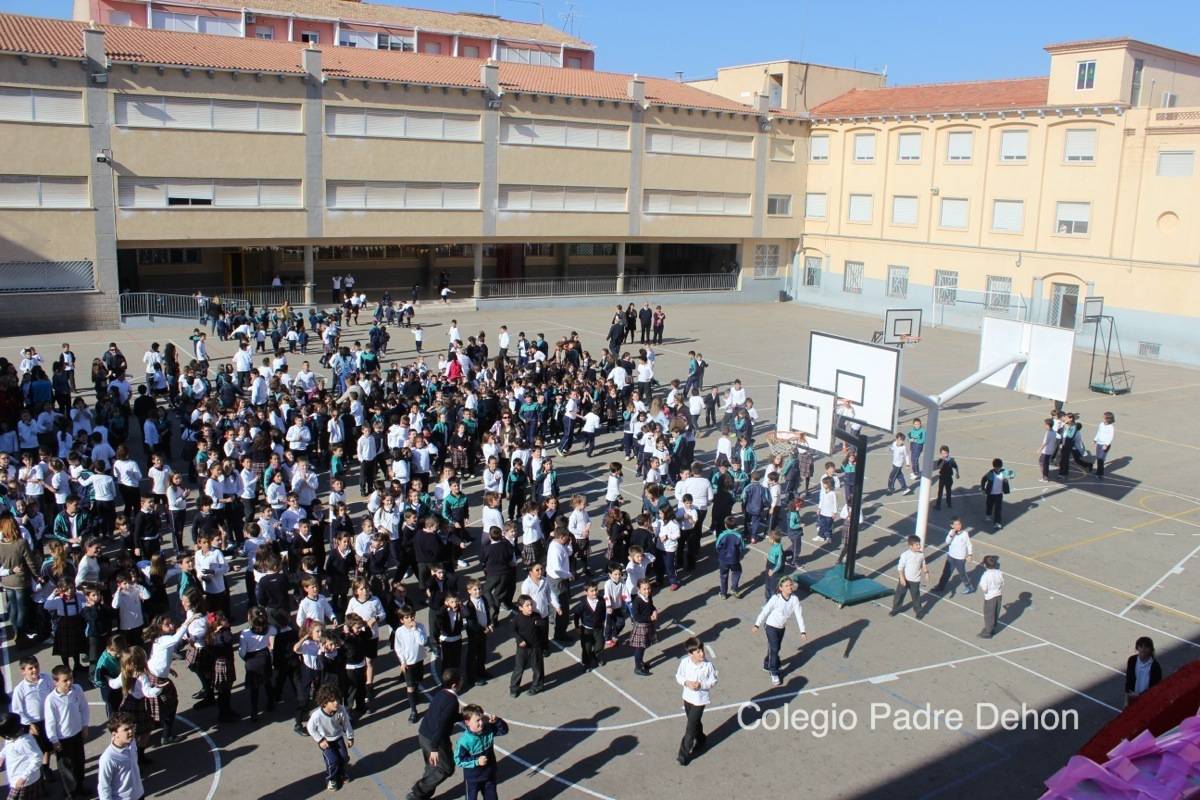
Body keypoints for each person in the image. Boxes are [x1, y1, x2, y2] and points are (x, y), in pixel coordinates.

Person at [408, 669, 461, 800]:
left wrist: (463, 716)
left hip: (424, 734)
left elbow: (447, 716)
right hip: (435, 739)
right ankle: (418, 791)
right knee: (446, 768)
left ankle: (423, 796)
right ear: (455, 685)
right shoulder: (452, 700)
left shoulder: (441, 693)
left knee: (432, 767)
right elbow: (442, 724)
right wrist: (434, 748)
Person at [43, 664, 89, 799]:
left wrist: (85, 726)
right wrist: (54, 740)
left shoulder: (77, 690)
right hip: (63, 738)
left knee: (79, 762)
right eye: (65, 680)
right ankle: (70, 793)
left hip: (77, 734)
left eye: (71, 678)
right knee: (66, 768)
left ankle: (80, 786)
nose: (69, 682)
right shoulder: (51, 700)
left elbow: (84, 708)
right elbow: (50, 722)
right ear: (55, 682)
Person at [752, 576, 807, 686]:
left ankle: (767, 663)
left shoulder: (794, 599)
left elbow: (799, 615)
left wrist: (803, 631)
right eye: (787, 586)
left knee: (774, 648)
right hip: (770, 626)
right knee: (775, 648)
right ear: (781, 588)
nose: (790, 587)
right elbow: (765, 611)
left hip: (781, 627)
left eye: (791, 585)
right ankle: (774, 672)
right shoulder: (775, 599)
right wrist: (756, 624)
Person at [674, 636, 717, 767]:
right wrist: (686, 683)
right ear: (690, 654)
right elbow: (678, 676)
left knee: (690, 727)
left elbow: (713, 681)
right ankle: (701, 738)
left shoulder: (708, 666)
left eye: (702, 650)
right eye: (698, 651)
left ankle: (683, 755)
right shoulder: (685, 663)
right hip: (687, 697)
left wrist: (701, 685)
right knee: (695, 723)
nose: (702, 653)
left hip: (700, 700)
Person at [454, 705, 508, 800]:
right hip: (473, 779)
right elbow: (458, 760)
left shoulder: (488, 729)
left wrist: (497, 721)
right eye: (477, 720)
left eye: (482, 719)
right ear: (467, 722)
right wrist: (476, 761)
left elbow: (503, 731)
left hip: (489, 774)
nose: (482, 722)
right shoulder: (465, 741)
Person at [307, 685, 354, 792]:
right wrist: (320, 740)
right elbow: (310, 728)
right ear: (324, 702)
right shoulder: (317, 715)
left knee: (344, 758)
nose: (336, 703)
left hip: (337, 737)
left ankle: (341, 773)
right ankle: (331, 779)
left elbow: (346, 723)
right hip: (325, 741)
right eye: (332, 701)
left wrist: (350, 737)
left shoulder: (341, 710)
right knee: (333, 761)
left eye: (337, 699)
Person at [0, 711, 45, 799]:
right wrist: (1, 756)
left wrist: (23, 777)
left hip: (24, 782)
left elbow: (37, 758)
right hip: (15, 778)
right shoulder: (11, 738)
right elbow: (7, 747)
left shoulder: (24, 741)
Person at [97, 713, 142, 800]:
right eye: (126, 729)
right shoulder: (108, 758)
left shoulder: (131, 742)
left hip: (139, 794)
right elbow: (104, 787)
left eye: (132, 727)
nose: (131, 731)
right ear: (114, 734)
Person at [932, 518, 974, 595]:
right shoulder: (951, 532)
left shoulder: (965, 534)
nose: (958, 526)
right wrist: (952, 535)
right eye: (956, 524)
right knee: (946, 572)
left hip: (960, 558)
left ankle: (969, 586)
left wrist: (970, 554)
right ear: (952, 526)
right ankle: (940, 586)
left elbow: (969, 544)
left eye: (959, 524)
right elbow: (947, 541)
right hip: (951, 556)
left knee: (962, 574)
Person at [890, 535, 928, 619]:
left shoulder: (921, 554)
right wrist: (902, 578)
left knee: (916, 596)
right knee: (899, 595)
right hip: (905, 579)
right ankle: (895, 609)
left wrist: (926, 573)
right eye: (916, 545)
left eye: (919, 544)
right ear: (910, 546)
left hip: (915, 580)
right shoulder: (905, 555)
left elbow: (923, 563)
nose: (919, 546)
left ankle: (918, 611)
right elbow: (900, 568)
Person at [1124, 637, 1162, 707]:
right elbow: (1128, 680)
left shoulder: (1155, 667)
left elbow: (1155, 688)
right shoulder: (1132, 660)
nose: (1143, 649)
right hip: (1132, 696)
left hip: (1147, 700)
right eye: (1140, 646)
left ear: (1151, 649)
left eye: (1146, 647)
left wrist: (1140, 695)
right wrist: (1126, 700)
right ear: (1137, 648)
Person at [977, 555, 1005, 639]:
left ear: (985, 565)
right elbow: (1003, 583)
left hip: (990, 597)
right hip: (998, 595)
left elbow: (984, 588)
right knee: (996, 612)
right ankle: (993, 628)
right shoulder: (999, 572)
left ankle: (988, 632)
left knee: (989, 614)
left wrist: (987, 592)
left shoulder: (985, 576)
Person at [979, 458, 1010, 528]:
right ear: (994, 467)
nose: (998, 469)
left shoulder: (1004, 472)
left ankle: (997, 522)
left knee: (998, 509)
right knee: (989, 505)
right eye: (997, 467)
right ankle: (988, 514)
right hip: (991, 493)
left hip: (999, 494)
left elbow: (1010, 475)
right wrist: (983, 489)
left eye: (999, 467)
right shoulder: (991, 473)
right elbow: (983, 480)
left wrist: (1009, 476)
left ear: (1001, 467)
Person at [932, 445, 959, 509]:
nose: (944, 455)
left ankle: (949, 503)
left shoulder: (951, 460)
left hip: (949, 478)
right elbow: (937, 466)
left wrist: (957, 473)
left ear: (948, 453)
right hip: (942, 477)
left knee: (948, 491)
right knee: (940, 492)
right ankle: (938, 505)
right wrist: (941, 460)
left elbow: (956, 466)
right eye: (942, 453)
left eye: (945, 453)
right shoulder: (941, 460)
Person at [1093, 411, 1115, 480]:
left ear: (1107, 418)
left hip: (1104, 445)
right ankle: (1098, 472)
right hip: (1099, 443)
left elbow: (1110, 437)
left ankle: (1100, 474)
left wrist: (1106, 444)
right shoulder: (1101, 424)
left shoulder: (1111, 427)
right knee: (1098, 458)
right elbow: (1098, 432)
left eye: (1104, 417)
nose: (1103, 418)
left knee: (1100, 459)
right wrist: (1095, 440)